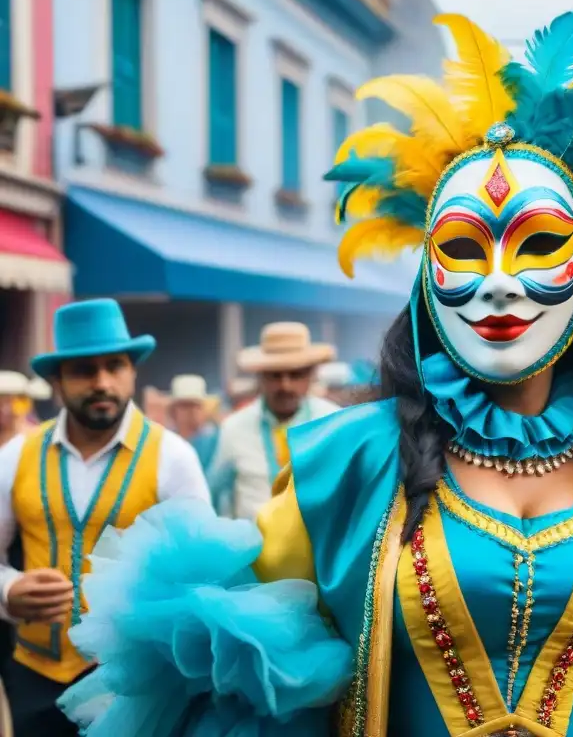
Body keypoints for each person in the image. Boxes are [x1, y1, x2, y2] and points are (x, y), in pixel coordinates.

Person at [56, 10, 573, 736]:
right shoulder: (351, 464)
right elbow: (261, 672)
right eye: (463, 248)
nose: (498, 283)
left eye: (537, 245)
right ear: (426, 275)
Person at [0, 298, 212, 737]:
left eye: (114, 366)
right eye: (83, 370)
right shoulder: (15, 455)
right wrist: (8, 591)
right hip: (35, 676)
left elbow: (203, 579)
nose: (102, 382)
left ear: (133, 371)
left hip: (133, 685)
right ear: (57, 380)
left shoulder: (173, 457)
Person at [207, 322, 338, 520]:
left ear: (311, 375)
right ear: (260, 376)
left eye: (295, 374)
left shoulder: (332, 423)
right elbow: (214, 496)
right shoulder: (233, 428)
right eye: (275, 375)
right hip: (255, 547)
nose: (285, 385)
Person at [167, 374, 220, 474]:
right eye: (185, 406)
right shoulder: (166, 442)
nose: (191, 412)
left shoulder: (215, 441)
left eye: (196, 406)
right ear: (173, 411)